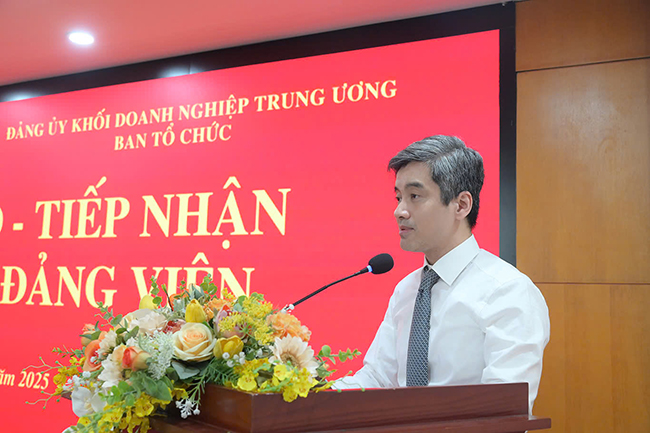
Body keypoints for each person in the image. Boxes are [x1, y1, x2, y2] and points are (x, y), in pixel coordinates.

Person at [335, 135, 550, 411]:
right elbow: (377, 378)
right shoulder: (407, 289)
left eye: (414, 196)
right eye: (398, 197)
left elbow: (502, 409)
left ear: (461, 205)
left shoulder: (507, 291)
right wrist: (309, 395)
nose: (399, 211)